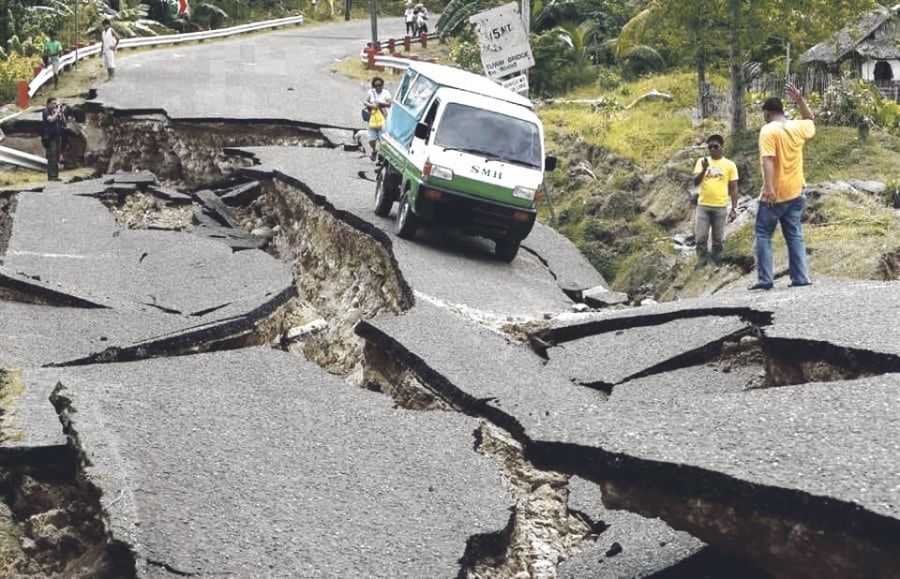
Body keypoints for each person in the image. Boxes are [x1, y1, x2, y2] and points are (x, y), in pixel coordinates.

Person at [750, 83, 815, 290]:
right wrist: (800, 100)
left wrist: (768, 188)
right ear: (782, 111)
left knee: (762, 234)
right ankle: (800, 277)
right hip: (796, 191)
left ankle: (765, 279)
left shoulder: (768, 130)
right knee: (794, 234)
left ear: (767, 113)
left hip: (776, 193)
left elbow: (768, 159)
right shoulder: (797, 126)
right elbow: (810, 120)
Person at [691, 134, 739, 269]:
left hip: (720, 206)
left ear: (721, 147)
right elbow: (695, 182)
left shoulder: (730, 165)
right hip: (703, 206)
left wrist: (734, 209)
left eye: (715, 146)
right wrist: (704, 169)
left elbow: (734, 188)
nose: (712, 149)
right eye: (710, 147)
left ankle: (715, 262)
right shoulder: (702, 161)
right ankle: (701, 262)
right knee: (701, 237)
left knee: (718, 239)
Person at [364, 76, 392, 162]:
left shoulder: (386, 93)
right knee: (371, 139)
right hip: (372, 118)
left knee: (382, 139)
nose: (378, 87)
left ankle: (381, 156)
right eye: (376, 85)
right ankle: (374, 150)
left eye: (380, 85)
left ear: (382, 85)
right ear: (373, 86)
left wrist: (381, 104)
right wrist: (371, 105)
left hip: (383, 119)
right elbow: (365, 102)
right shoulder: (370, 92)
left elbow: (390, 103)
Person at [42, 98, 67, 181]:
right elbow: (51, 120)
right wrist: (57, 111)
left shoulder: (55, 111)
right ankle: (51, 176)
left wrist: (61, 112)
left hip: (57, 136)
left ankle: (56, 176)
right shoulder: (46, 111)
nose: (55, 105)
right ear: (48, 104)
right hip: (50, 137)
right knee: (51, 156)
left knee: (56, 156)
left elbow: (64, 122)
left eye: (56, 103)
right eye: (53, 103)